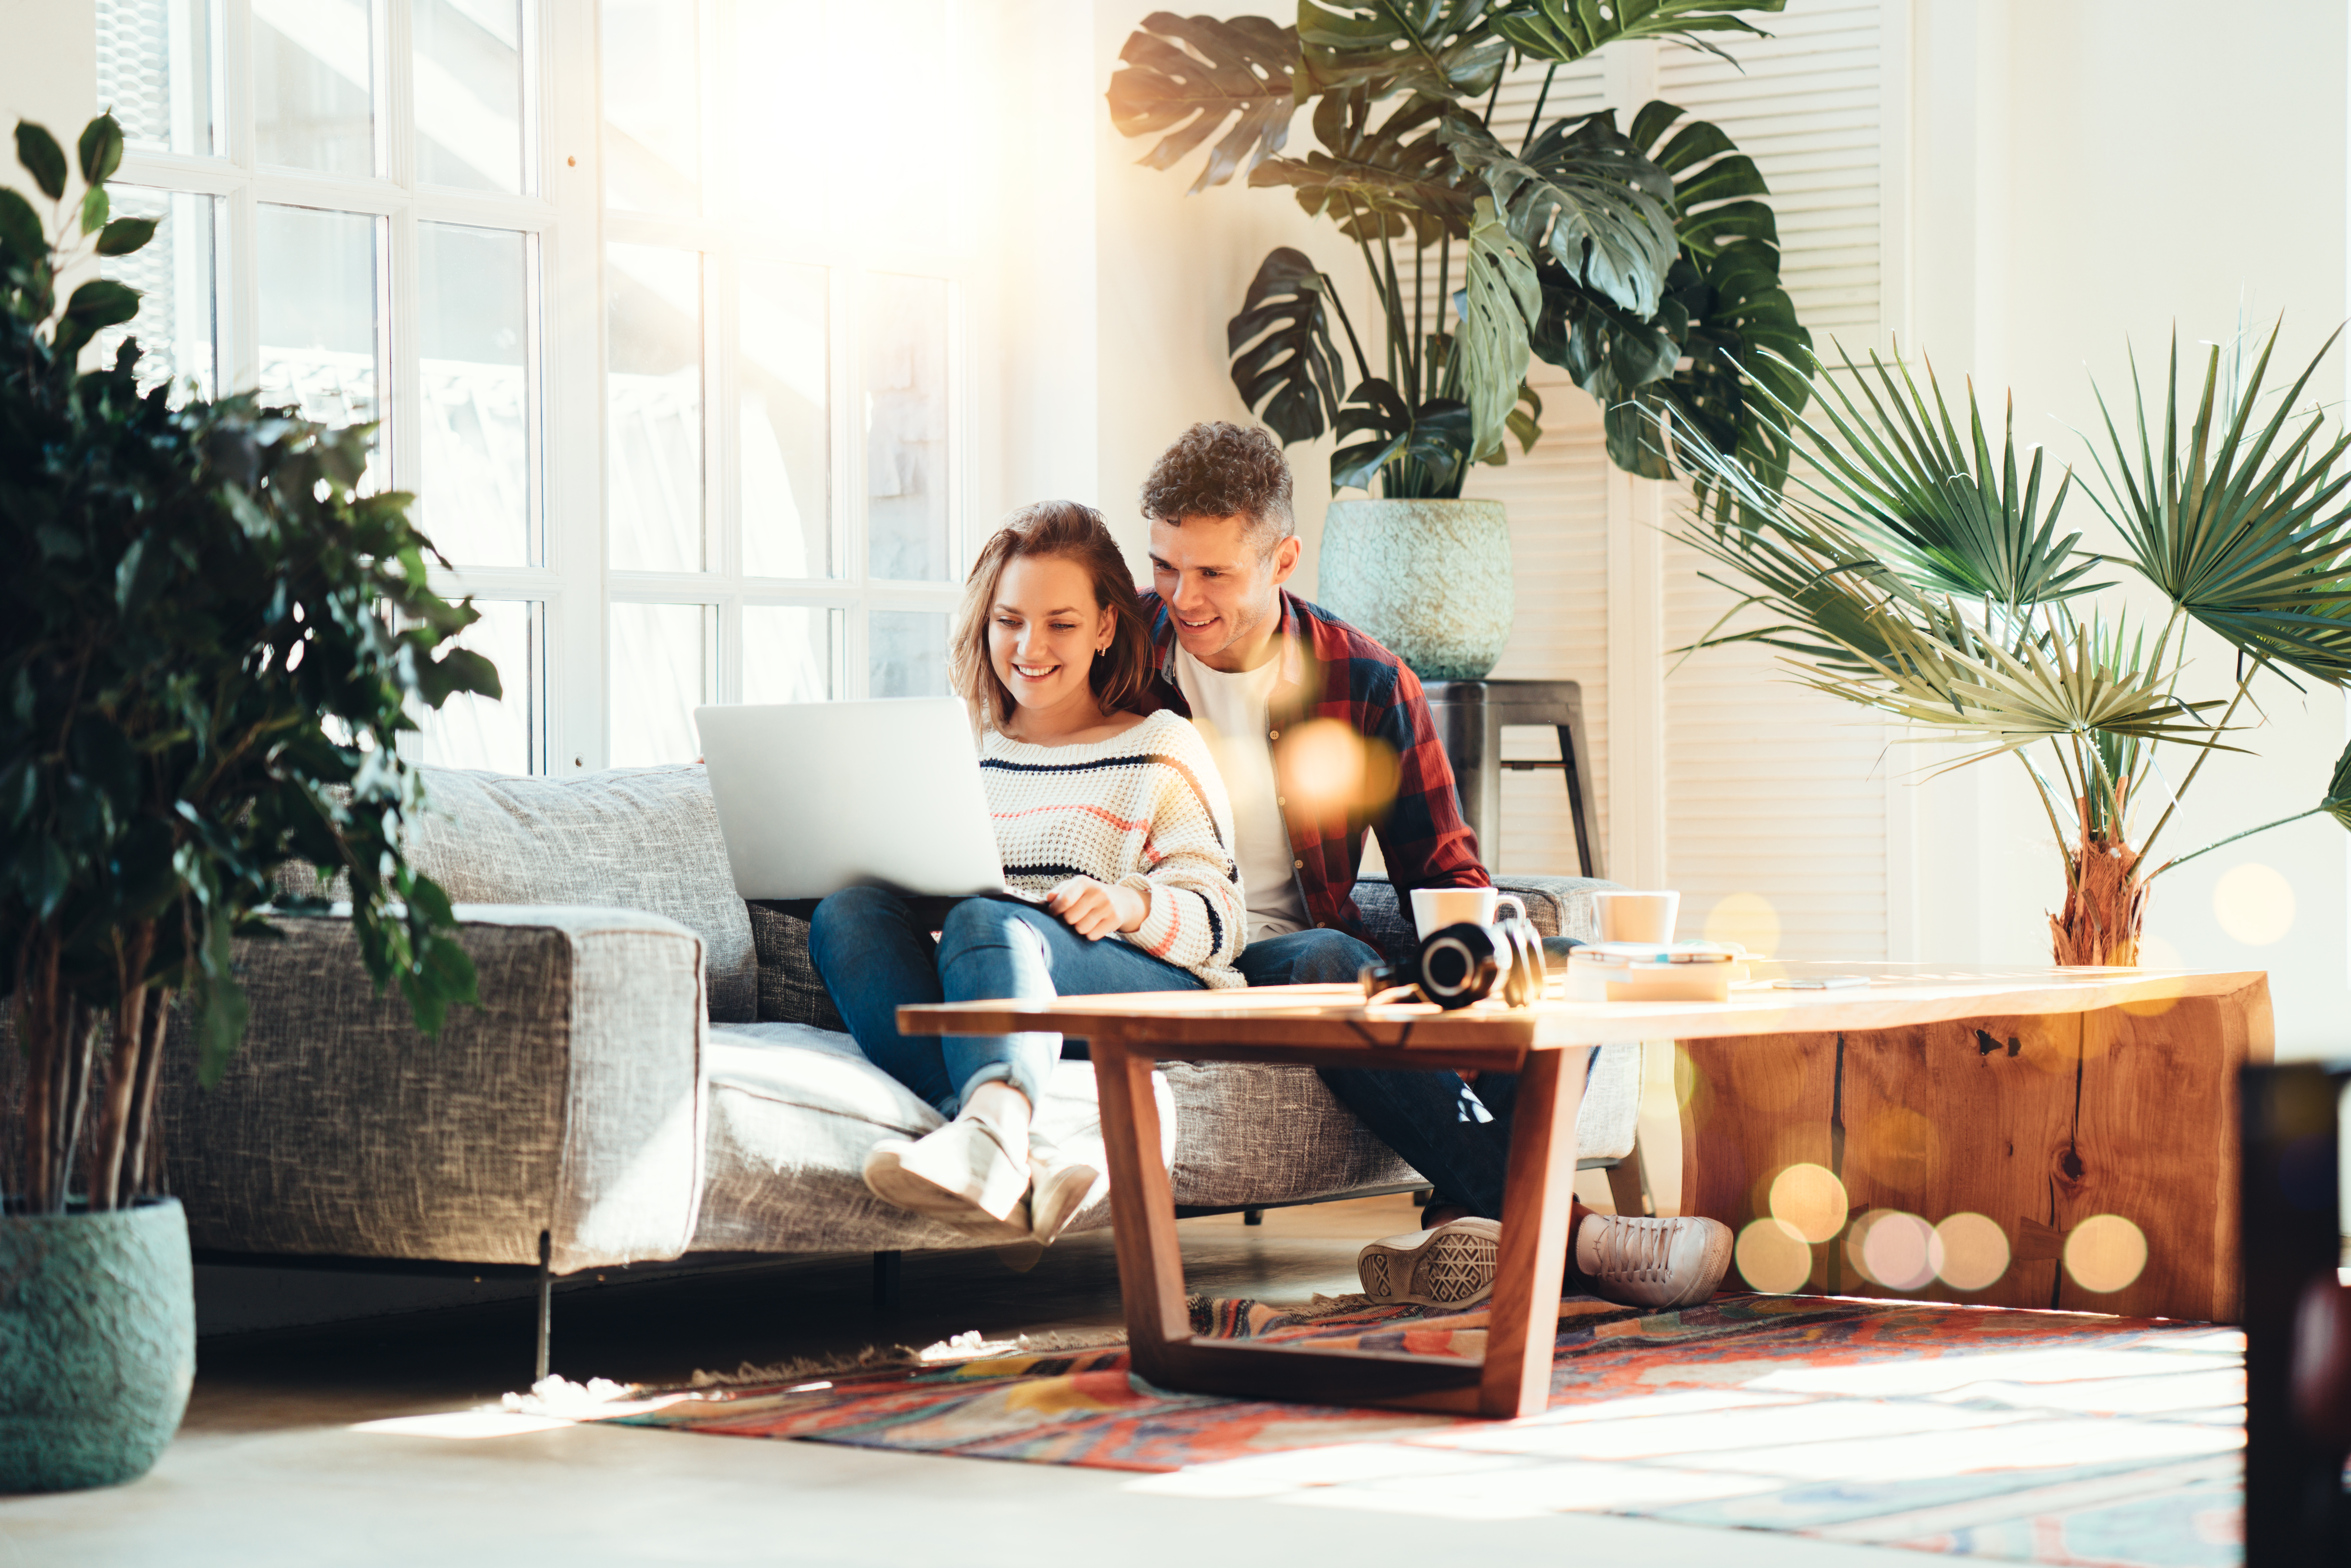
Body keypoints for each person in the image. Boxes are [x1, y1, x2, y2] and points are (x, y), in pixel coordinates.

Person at [1133, 421, 1731, 1310]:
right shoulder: (1118, 658)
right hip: (1178, 955)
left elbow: (1444, 874)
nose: (1182, 597)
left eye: (1213, 572)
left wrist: (1494, 950)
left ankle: (1470, 1224)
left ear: (1284, 558)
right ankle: (1571, 1234)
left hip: (1293, 950)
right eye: (1165, 566)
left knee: (1562, 961)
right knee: (1334, 961)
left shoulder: (1366, 681)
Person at [808, 501, 1245, 1244]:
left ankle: (994, 1135)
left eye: (1061, 624)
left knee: (991, 916)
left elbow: (1221, 922)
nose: (1029, 645)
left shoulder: (1162, 747)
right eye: (1009, 620)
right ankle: (1010, 1151)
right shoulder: (961, 746)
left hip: (1133, 979)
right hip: (988, 982)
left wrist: (1129, 901)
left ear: (1106, 627)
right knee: (845, 912)